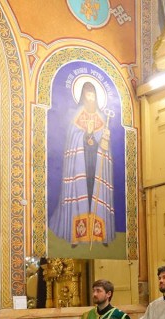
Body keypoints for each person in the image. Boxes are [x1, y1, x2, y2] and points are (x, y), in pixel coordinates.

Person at [49, 81, 115, 247]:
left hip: (96, 165)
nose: (91, 98)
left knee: (95, 194)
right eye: (88, 95)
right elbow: (73, 138)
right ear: (83, 97)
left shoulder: (102, 117)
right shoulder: (77, 115)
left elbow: (104, 146)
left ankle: (99, 234)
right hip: (81, 163)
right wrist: (86, 134)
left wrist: (104, 137)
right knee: (81, 194)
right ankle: (77, 235)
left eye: (93, 95)